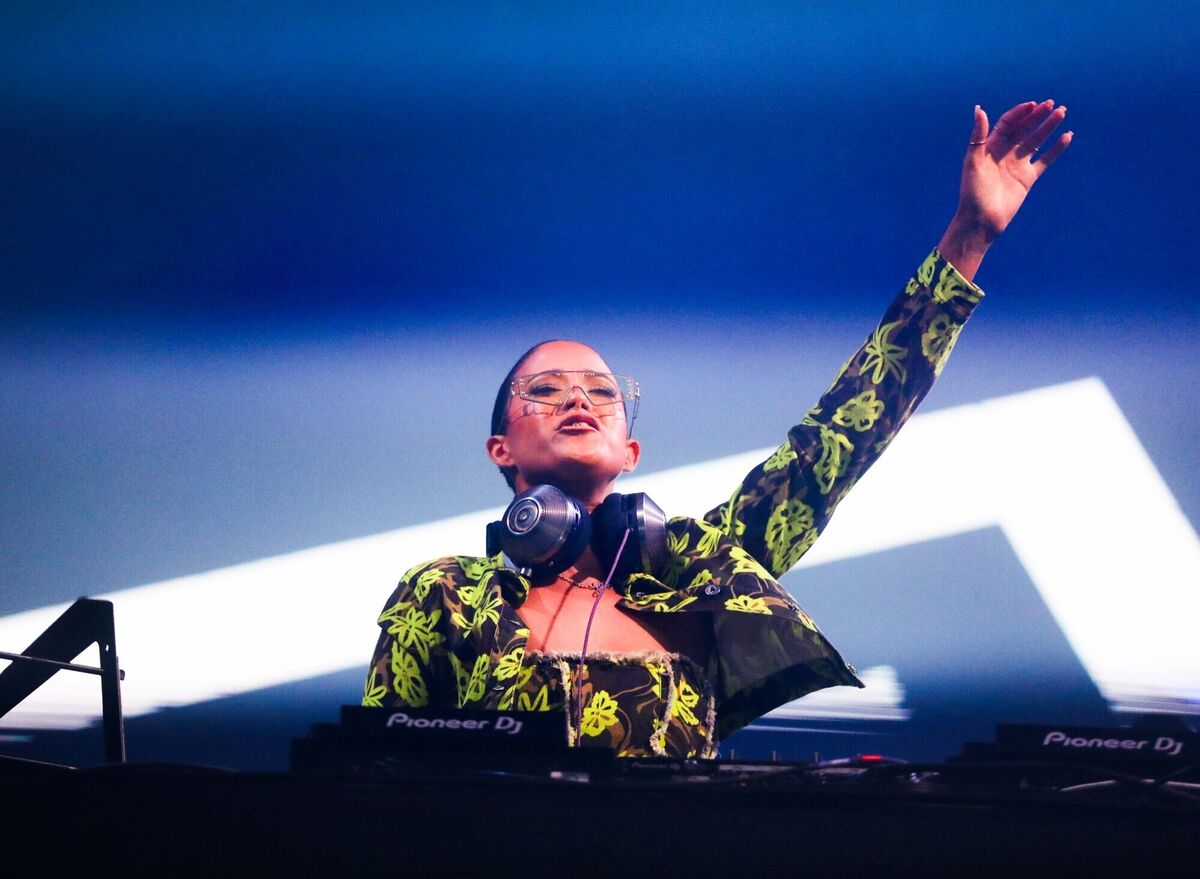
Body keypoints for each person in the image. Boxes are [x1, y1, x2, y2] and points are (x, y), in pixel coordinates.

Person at [363, 101, 1072, 758]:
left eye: (603, 393)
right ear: (500, 448)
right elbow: (372, 775)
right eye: (545, 390)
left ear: (630, 452)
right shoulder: (447, 594)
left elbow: (843, 433)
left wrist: (969, 236)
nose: (578, 399)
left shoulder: (701, 572)